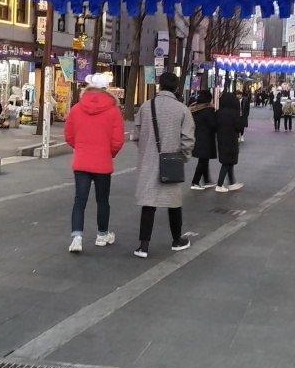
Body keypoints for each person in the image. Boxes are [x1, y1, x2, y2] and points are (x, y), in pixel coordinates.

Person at [132, 71, 195, 257]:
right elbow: (188, 139)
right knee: (174, 203)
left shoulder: (145, 107)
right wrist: (182, 157)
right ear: (176, 88)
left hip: (149, 161)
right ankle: (177, 240)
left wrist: (146, 151)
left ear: (159, 86)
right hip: (172, 161)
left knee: (148, 203)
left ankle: (143, 245)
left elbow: (136, 135)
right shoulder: (183, 109)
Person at [64, 72, 125, 253]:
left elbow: (68, 134)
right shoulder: (113, 111)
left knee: (79, 201)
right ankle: (102, 234)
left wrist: (80, 147)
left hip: (81, 161)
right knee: (102, 200)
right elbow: (117, 140)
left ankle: (77, 237)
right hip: (103, 162)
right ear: (106, 90)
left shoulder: (76, 108)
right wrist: (109, 153)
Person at [214, 91, 243, 192]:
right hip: (231, 139)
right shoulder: (234, 113)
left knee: (228, 162)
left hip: (221, 139)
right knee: (227, 163)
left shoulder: (218, 113)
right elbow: (239, 127)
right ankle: (219, 184)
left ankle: (232, 183)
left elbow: (214, 126)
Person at [189, 89, 217, 189]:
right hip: (206, 138)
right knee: (203, 161)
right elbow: (213, 124)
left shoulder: (194, 109)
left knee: (204, 159)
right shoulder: (208, 110)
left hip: (197, 136)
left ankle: (207, 180)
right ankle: (195, 182)